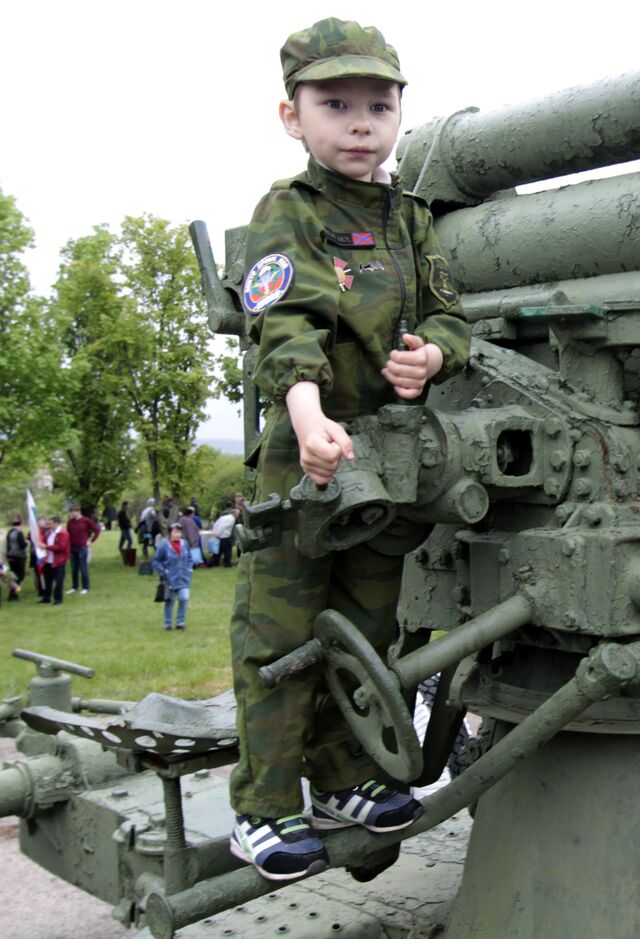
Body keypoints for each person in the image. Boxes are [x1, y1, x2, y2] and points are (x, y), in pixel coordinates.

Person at [226, 17, 475, 882]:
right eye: (335, 104)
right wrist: (304, 413)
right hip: (307, 463)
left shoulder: (410, 220)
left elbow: (448, 314)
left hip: (388, 465)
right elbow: (281, 324)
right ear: (293, 117)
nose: (360, 122)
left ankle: (344, 780)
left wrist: (436, 353)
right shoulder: (286, 212)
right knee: (280, 638)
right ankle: (261, 808)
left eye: (379, 103)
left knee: (364, 634)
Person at [152, 523, 196, 630]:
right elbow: (156, 560)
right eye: (175, 532)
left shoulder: (184, 544)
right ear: (170, 532)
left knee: (184, 598)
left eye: (179, 532)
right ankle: (168, 623)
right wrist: (163, 572)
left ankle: (181, 622)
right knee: (170, 600)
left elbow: (190, 558)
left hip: (184, 577)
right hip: (169, 579)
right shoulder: (164, 545)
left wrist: (189, 569)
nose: (178, 534)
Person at [66, 507, 101, 595]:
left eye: (74, 512)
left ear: (79, 512)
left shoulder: (86, 521)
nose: (73, 514)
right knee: (74, 568)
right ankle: (74, 586)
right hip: (72, 547)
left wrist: (91, 540)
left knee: (83, 567)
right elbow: (68, 534)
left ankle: (85, 587)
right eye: (71, 512)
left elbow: (96, 530)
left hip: (82, 547)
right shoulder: (70, 522)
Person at [43, 517, 69, 607]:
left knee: (58, 581)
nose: (49, 526)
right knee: (48, 580)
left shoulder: (63, 533)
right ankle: (46, 597)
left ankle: (58, 599)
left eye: (51, 524)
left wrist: (46, 547)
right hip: (49, 560)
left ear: (56, 523)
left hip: (59, 561)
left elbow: (61, 547)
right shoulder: (50, 533)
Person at [5, 516, 27, 602]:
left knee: (13, 576)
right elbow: (22, 545)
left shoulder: (10, 532)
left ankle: (13, 594)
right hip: (19, 556)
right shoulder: (19, 533)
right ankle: (13, 593)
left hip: (11, 556)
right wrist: (27, 542)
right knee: (20, 575)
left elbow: (8, 545)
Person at [212, 503, 237, 568]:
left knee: (219, 551)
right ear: (235, 513)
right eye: (238, 514)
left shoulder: (224, 517)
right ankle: (227, 564)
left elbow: (216, 524)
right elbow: (223, 526)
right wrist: (218, 533)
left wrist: (215, 532)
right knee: (227, 552)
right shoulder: (232, 519)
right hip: (225, 536)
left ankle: (214, 563)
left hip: (220, 536)